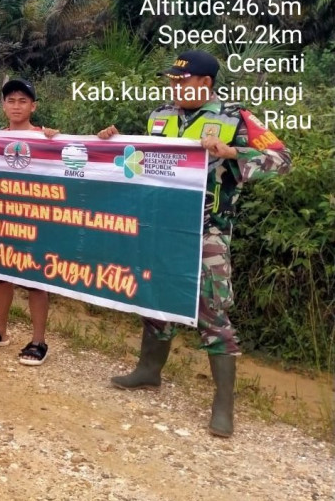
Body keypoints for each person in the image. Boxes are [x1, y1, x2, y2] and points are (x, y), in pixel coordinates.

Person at [97, 50, 291, 437]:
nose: (175, 86)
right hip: (161, 226)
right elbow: (140, 161)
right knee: (155, 297)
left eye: (182, 81)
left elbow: (282, 159)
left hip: (208, 229)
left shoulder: (235, 117)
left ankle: (223, 406)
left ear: (205, 83)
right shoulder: (159, 115)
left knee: (211, 310)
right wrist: (113, 142)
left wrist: (233, 152)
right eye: (172, 80)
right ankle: (149, 371)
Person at [0, 79, 59, 366]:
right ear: (3, 106)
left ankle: (39, 341)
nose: (16, 106)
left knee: (35, 281)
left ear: (34, 106)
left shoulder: (48, 138)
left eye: (23, 101)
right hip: (2, 219)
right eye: (11, 100)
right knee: (1, 275)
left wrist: (57, 139)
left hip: (35, 221)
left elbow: (72, 160)